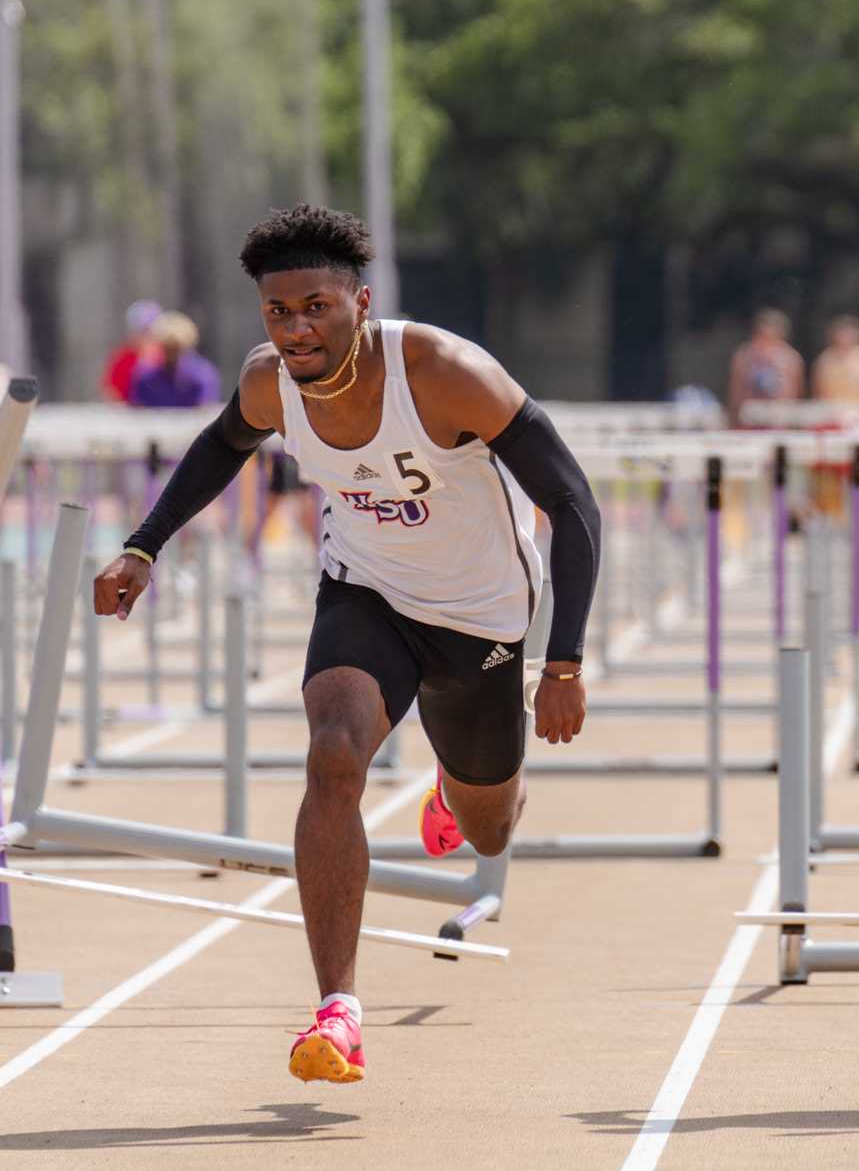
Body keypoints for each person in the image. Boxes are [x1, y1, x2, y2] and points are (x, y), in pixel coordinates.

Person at [91, 205, 601, 1085]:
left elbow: (574, 500)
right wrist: (144, 544)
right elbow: (220, 448)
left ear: (360, 303)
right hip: (364, 591)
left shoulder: (442, 372)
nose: (297, 329)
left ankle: (457, 780)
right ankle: (339, 1009)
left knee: (488, 829)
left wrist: (563, 662)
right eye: (279, 313)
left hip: (480, 617)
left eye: (317, 307)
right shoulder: (268, 382)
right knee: (332, 753)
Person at [126, 312, 224, 409]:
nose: (171, 354)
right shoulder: (146, 378)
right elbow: (139, 411)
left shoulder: (202, 376)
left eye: (176, 348)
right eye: (167, 348)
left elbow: (204, 411)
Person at [725, 308, 806, 425]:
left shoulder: (790, 357)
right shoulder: (744, 355)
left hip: (780, 415)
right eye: (764, 335)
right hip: (750, 414)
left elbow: (797, 390)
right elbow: (735, 388)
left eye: (772, 336)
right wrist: (734, 414)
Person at [102, 299, 162, 403]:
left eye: (148, 330)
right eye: (140, 330)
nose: (144, 335)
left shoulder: (167, 357)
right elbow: (112, 394)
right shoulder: (122, 359)